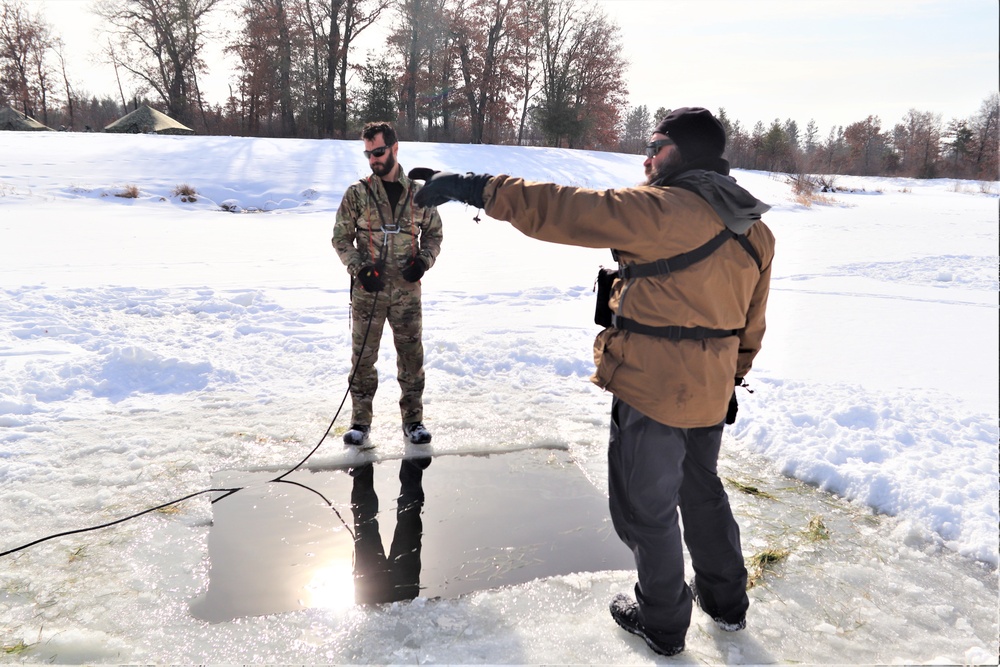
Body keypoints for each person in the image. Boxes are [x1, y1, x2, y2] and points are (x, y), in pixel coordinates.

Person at [411, 107, 774, 657]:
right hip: (709, 390)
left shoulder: (662, 210)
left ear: (687, 152)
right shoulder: (755, 227)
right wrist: (730, 380)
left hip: (652, 391)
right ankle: (726, 603)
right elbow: (751, 323)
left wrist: (472, 186)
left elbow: (566, 209)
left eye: (656, 145)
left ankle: (663, 623)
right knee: (702, 494)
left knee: (645, 511)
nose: (646, 157)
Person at [332, 121, 443, 448]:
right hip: (369, 293)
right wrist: (359, 268)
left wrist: (423, 261)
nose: (373, 159)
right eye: (368, 154)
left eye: (378, 152)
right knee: (363, 359)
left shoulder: (420, 195)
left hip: (407, 295)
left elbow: (434, 235)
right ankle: (360, 423)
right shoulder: (358, 193)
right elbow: (340, 238)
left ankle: (413, 421)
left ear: (395, 148)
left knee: (411, 357)